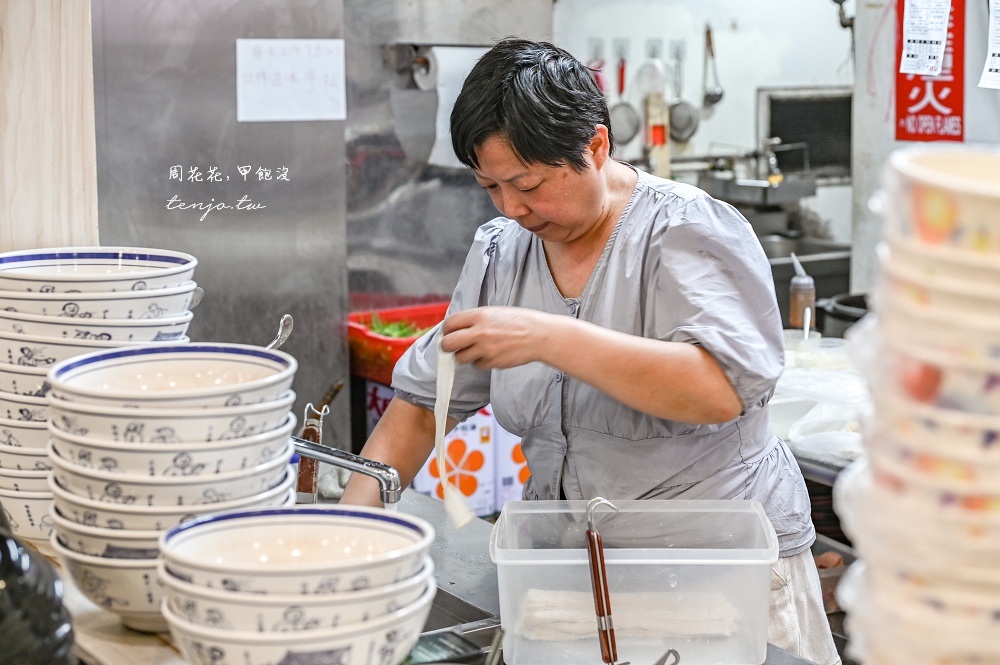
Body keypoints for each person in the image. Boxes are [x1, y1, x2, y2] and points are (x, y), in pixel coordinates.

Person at [341, 38, 840, 665]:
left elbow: (720, 390)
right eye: (490, 186)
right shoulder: (502, 250)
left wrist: (549, 337)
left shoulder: (683, 231)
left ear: (596, 147)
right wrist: (354, 526)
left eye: (527, 183)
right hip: (573, 577)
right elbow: (420, 402)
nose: (512, 208)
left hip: (717, 580)